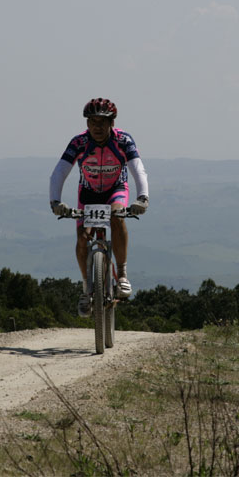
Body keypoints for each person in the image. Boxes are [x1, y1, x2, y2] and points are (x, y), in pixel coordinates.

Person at [49, 98, 149, 317]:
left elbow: (138, 169)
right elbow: (59, 172)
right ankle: (87, 288)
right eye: (92, 121)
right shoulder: (79, 143)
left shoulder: (123, 140)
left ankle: (121, 274)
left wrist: (143, 197)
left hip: (116, 189)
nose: (97, 127)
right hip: (88, 193)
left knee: (117, 216)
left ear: (112, 122)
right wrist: (55, 201)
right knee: (82, 237)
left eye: (102, 122)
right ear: (87, 123)